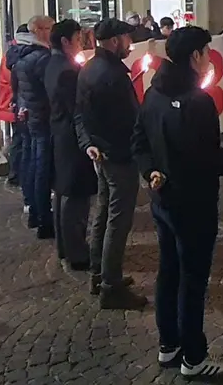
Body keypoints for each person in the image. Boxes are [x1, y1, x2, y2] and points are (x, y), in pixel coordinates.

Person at [131, 25, 223, 379]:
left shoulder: (153, 92)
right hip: (193, 204)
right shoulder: (199, 102)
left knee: (168, 272)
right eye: (207, 53)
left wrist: (150, 174)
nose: (210, 59)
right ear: (195, 56)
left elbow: (140, 144)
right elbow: (210, 160)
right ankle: (194, 357)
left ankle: (169, 346)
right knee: (192, 281)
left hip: (162, 201)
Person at [76, 18, 147, 310]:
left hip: (101, 155)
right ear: (116, 41)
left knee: (103, 215)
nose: (130, 44)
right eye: (127, 39)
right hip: (118, 157)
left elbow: (79, 113)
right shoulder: (113, 75)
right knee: (118, 222)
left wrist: (89, 144)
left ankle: (99, 275)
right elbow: (130, 121)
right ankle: (111, 286)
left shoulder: (89, 68)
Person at [44, 19, 95, 269]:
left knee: (64, 194)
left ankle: (66, 248)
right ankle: (77, 252)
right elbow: (76, 108)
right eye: (77, 40)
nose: (80, 45)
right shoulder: (66, 71)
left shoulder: (52, 64)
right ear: (65, 42)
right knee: (75, 196)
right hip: (71, 139)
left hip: (60, 135)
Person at [6, 15, 55, 238]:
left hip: (29, 115)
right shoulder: (41, 58)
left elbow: (18, 88)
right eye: (50, 28)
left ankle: (34, 209)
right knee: (41, 166)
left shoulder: (21, 55)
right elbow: (50, 92)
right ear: (39, 30)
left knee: (32, 161)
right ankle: (43, 216)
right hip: (41, 117)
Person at [0, 25, 27, 187]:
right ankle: (15, 173)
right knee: (19, 141)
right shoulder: (16, 54)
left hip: (9, 103)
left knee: (18, 140)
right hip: (12, 103)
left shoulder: (12, 52)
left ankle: (15, 172)